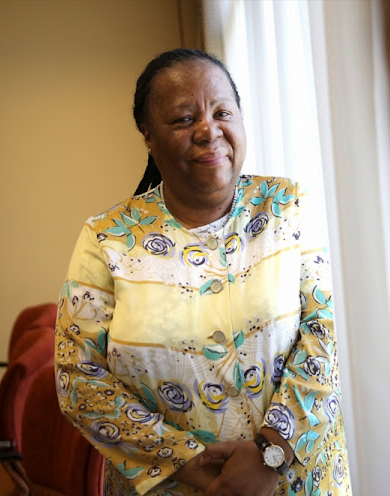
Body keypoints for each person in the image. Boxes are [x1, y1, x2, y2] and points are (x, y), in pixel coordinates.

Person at [55, 48, 351, 496]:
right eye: (182, 119)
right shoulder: (108, 239)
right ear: (148, 135)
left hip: (295, 479)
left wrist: (271, 454)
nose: (208, 131)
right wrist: (188, 462)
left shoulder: (287, 208)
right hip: (173, 487)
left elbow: (326, 335)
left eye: (222, 112)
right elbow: (77, 376)